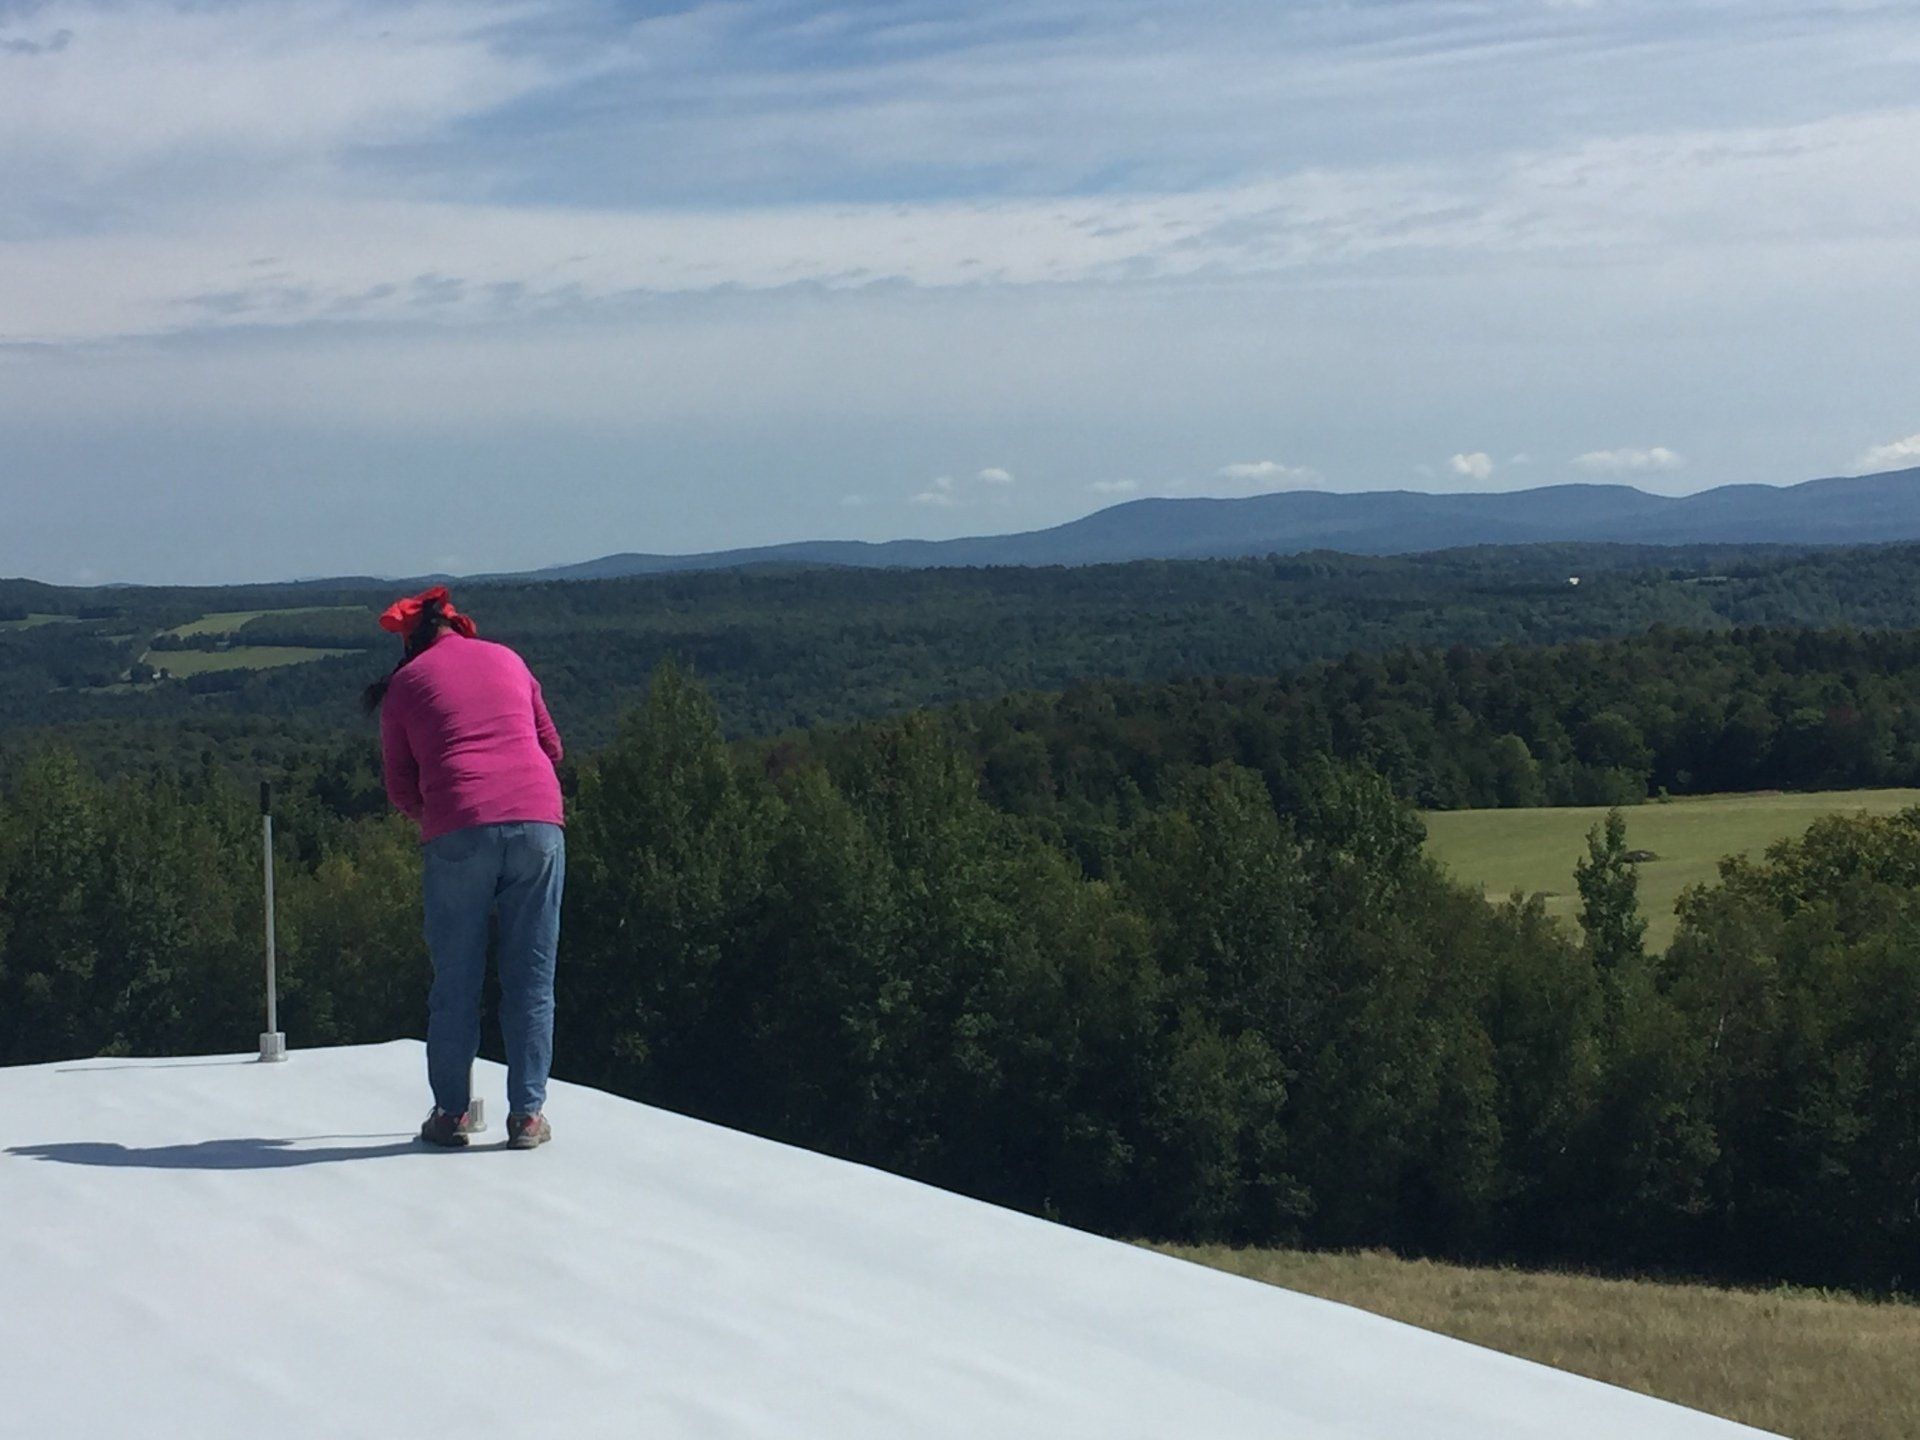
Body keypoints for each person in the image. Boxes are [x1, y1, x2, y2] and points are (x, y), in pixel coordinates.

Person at [367, 585, 566, 1150]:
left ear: (412, 641)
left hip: (457, 826)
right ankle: (527, 1116)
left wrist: (440, 818)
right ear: (460, 626)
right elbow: (551, 748)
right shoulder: (508, 659)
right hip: (538, 823)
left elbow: (401, 786)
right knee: (531, 977)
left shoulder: (405, 684)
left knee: (456, 979)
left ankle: (452, 1114)